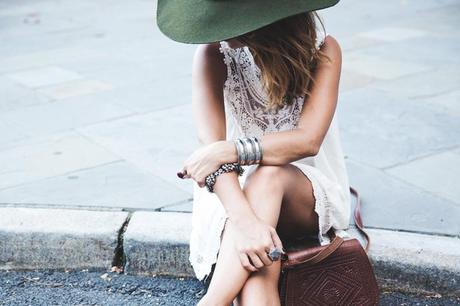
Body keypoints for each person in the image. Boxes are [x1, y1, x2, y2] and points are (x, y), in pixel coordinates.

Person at [157, 1, 351, 305]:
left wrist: (230, 150)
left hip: (304, 194)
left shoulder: (324, 51)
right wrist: (248, 225)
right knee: (260, 263)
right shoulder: (212, 55)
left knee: (269, 175)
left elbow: (307, 141)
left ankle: (213, 301)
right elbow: (214, 164)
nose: (216, 25)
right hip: (232, 196)